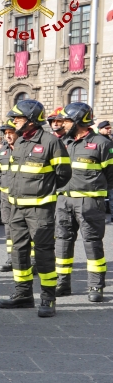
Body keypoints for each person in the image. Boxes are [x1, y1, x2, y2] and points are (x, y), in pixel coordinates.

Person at [0, 99, 70, 316]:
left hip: (40, 209)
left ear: (31, 120)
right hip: (16, 207)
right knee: (19, 251)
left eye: (18, 117)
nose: (14, 121)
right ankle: (23, 294)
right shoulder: (19, 142)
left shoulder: (50, 142)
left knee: (43, 253)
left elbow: (63, 175)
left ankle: (48, 297)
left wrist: (43, 190)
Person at [52, 103, 113, 301]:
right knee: (62, 242)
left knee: (92, 243)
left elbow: (111, 175)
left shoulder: (102, 143)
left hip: (89, 202)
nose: (63, 124)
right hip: (64, 200)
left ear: (78, 121)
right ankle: (62, 282)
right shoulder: (64, 142)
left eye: (67, 120)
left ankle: (96, 286)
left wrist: (94, 191)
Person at [0, 119, 18, 273]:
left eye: (11, 132)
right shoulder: (2, 152)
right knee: (8, 229)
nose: (8, 136)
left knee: (27, 229)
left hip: (23, 197)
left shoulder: (24, 149)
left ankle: (32, 259)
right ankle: (11, 258)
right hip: (6, 197)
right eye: (6, 133)